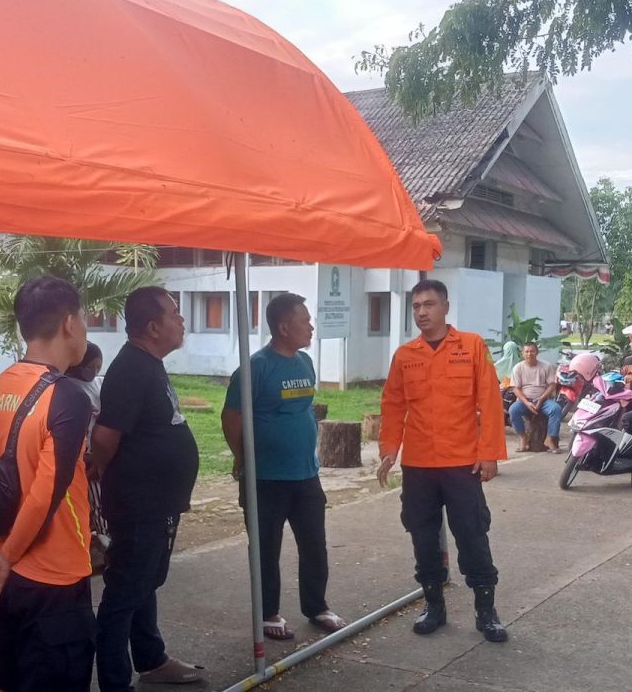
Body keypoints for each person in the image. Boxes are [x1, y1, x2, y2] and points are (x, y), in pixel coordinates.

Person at [0, 276, 95, 692]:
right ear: (70, 324)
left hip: (3, 570)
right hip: (53, 578)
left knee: (9, 682)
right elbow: (46, 493)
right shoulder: (67, 396)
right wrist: (6, 558)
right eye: (86, 323)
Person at [378, 279, 510, 643]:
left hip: (461, 463)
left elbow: (489, 401)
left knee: (472, 535)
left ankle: (487, 612)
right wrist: (389, 448)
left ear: (445, 307)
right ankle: (433, 605)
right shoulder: (405, 356)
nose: (422, 312)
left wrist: (489, 454)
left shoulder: (470, 347)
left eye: (429, 304)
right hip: (418, 465)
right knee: (422, 537)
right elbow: (392, 404)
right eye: (417, 306)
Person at [91, 287, 205, 690]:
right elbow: (104, 440)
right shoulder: (132, 368)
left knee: (144, 581)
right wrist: (102, 478)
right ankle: (114, 682)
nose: (182, 320)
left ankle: (151, 658)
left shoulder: (149, 363)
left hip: (157, 501)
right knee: (125, 590)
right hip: (139, 504)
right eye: (175, 314)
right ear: (153, 327)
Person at [219, 293, 347, 641]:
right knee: (265, 548)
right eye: (304, 321)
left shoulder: (304, 362)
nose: (310, 326)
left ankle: (316, 606)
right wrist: (243, 457)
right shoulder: (255, 368)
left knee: (314, 544)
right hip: (266, 478)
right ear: (283, 327)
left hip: (306, 474)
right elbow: (231, 418)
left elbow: (303, 409)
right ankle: (268, 614)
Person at [65, 342, 108, 572]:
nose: (94, 372)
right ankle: (103, 541)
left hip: (102, 452)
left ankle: (100, 540)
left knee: (100, 499)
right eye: (90, 367)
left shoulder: (99, 384)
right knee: (95, 499)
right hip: (85, 455)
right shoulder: (70, 387)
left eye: (98, 367)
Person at [508, 341, 562, 453]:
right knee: (513, 410)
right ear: (522, 353)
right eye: (526, 351)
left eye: (532, 351)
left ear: (537, 352)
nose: (529, 354)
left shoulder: (546, 366)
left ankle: (550, 439)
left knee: (556, 409)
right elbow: (515, 389)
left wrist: (542, 398)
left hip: (543, 400)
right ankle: (523, 437)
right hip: (524, 401)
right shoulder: (518, 368)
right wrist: (526, 402)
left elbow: (552, 385)